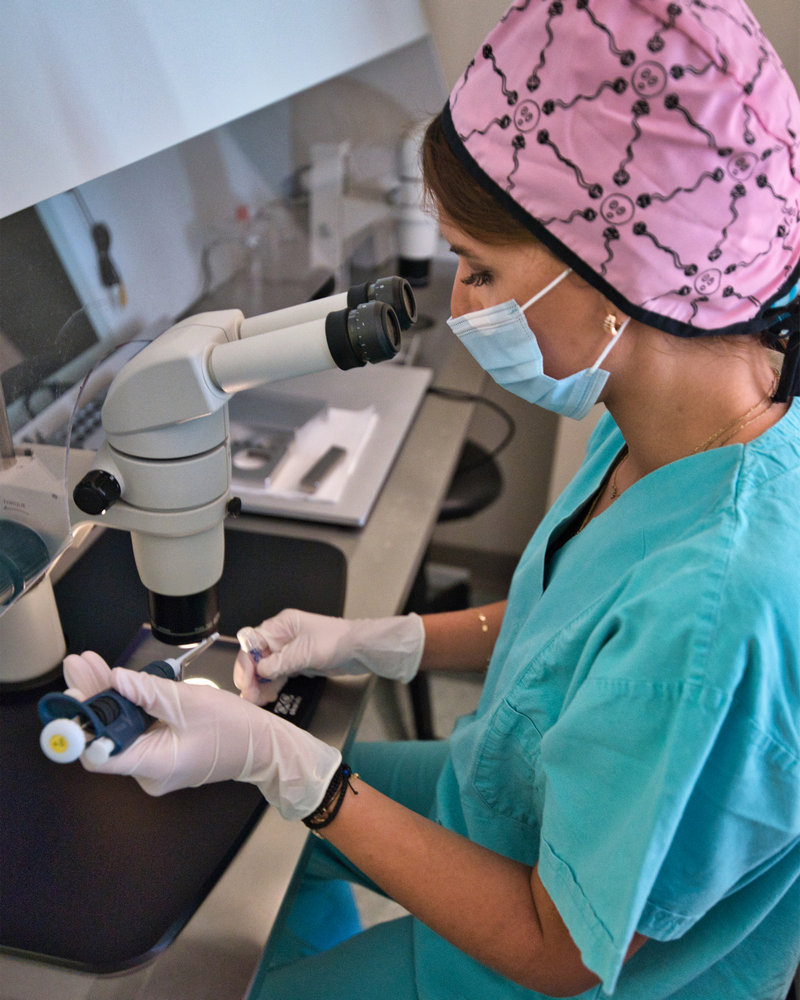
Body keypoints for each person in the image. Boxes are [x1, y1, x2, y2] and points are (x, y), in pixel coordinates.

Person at [64, 1, 800, 997]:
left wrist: (301, 775)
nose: (457, 302)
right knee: (248, 820)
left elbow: (562, 950)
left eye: (482, 267)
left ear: (620, 276)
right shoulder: (678, 419)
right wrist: (370, 638)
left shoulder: (719, 598)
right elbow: (584, 618)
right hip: (518, 797)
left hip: (557, 943)